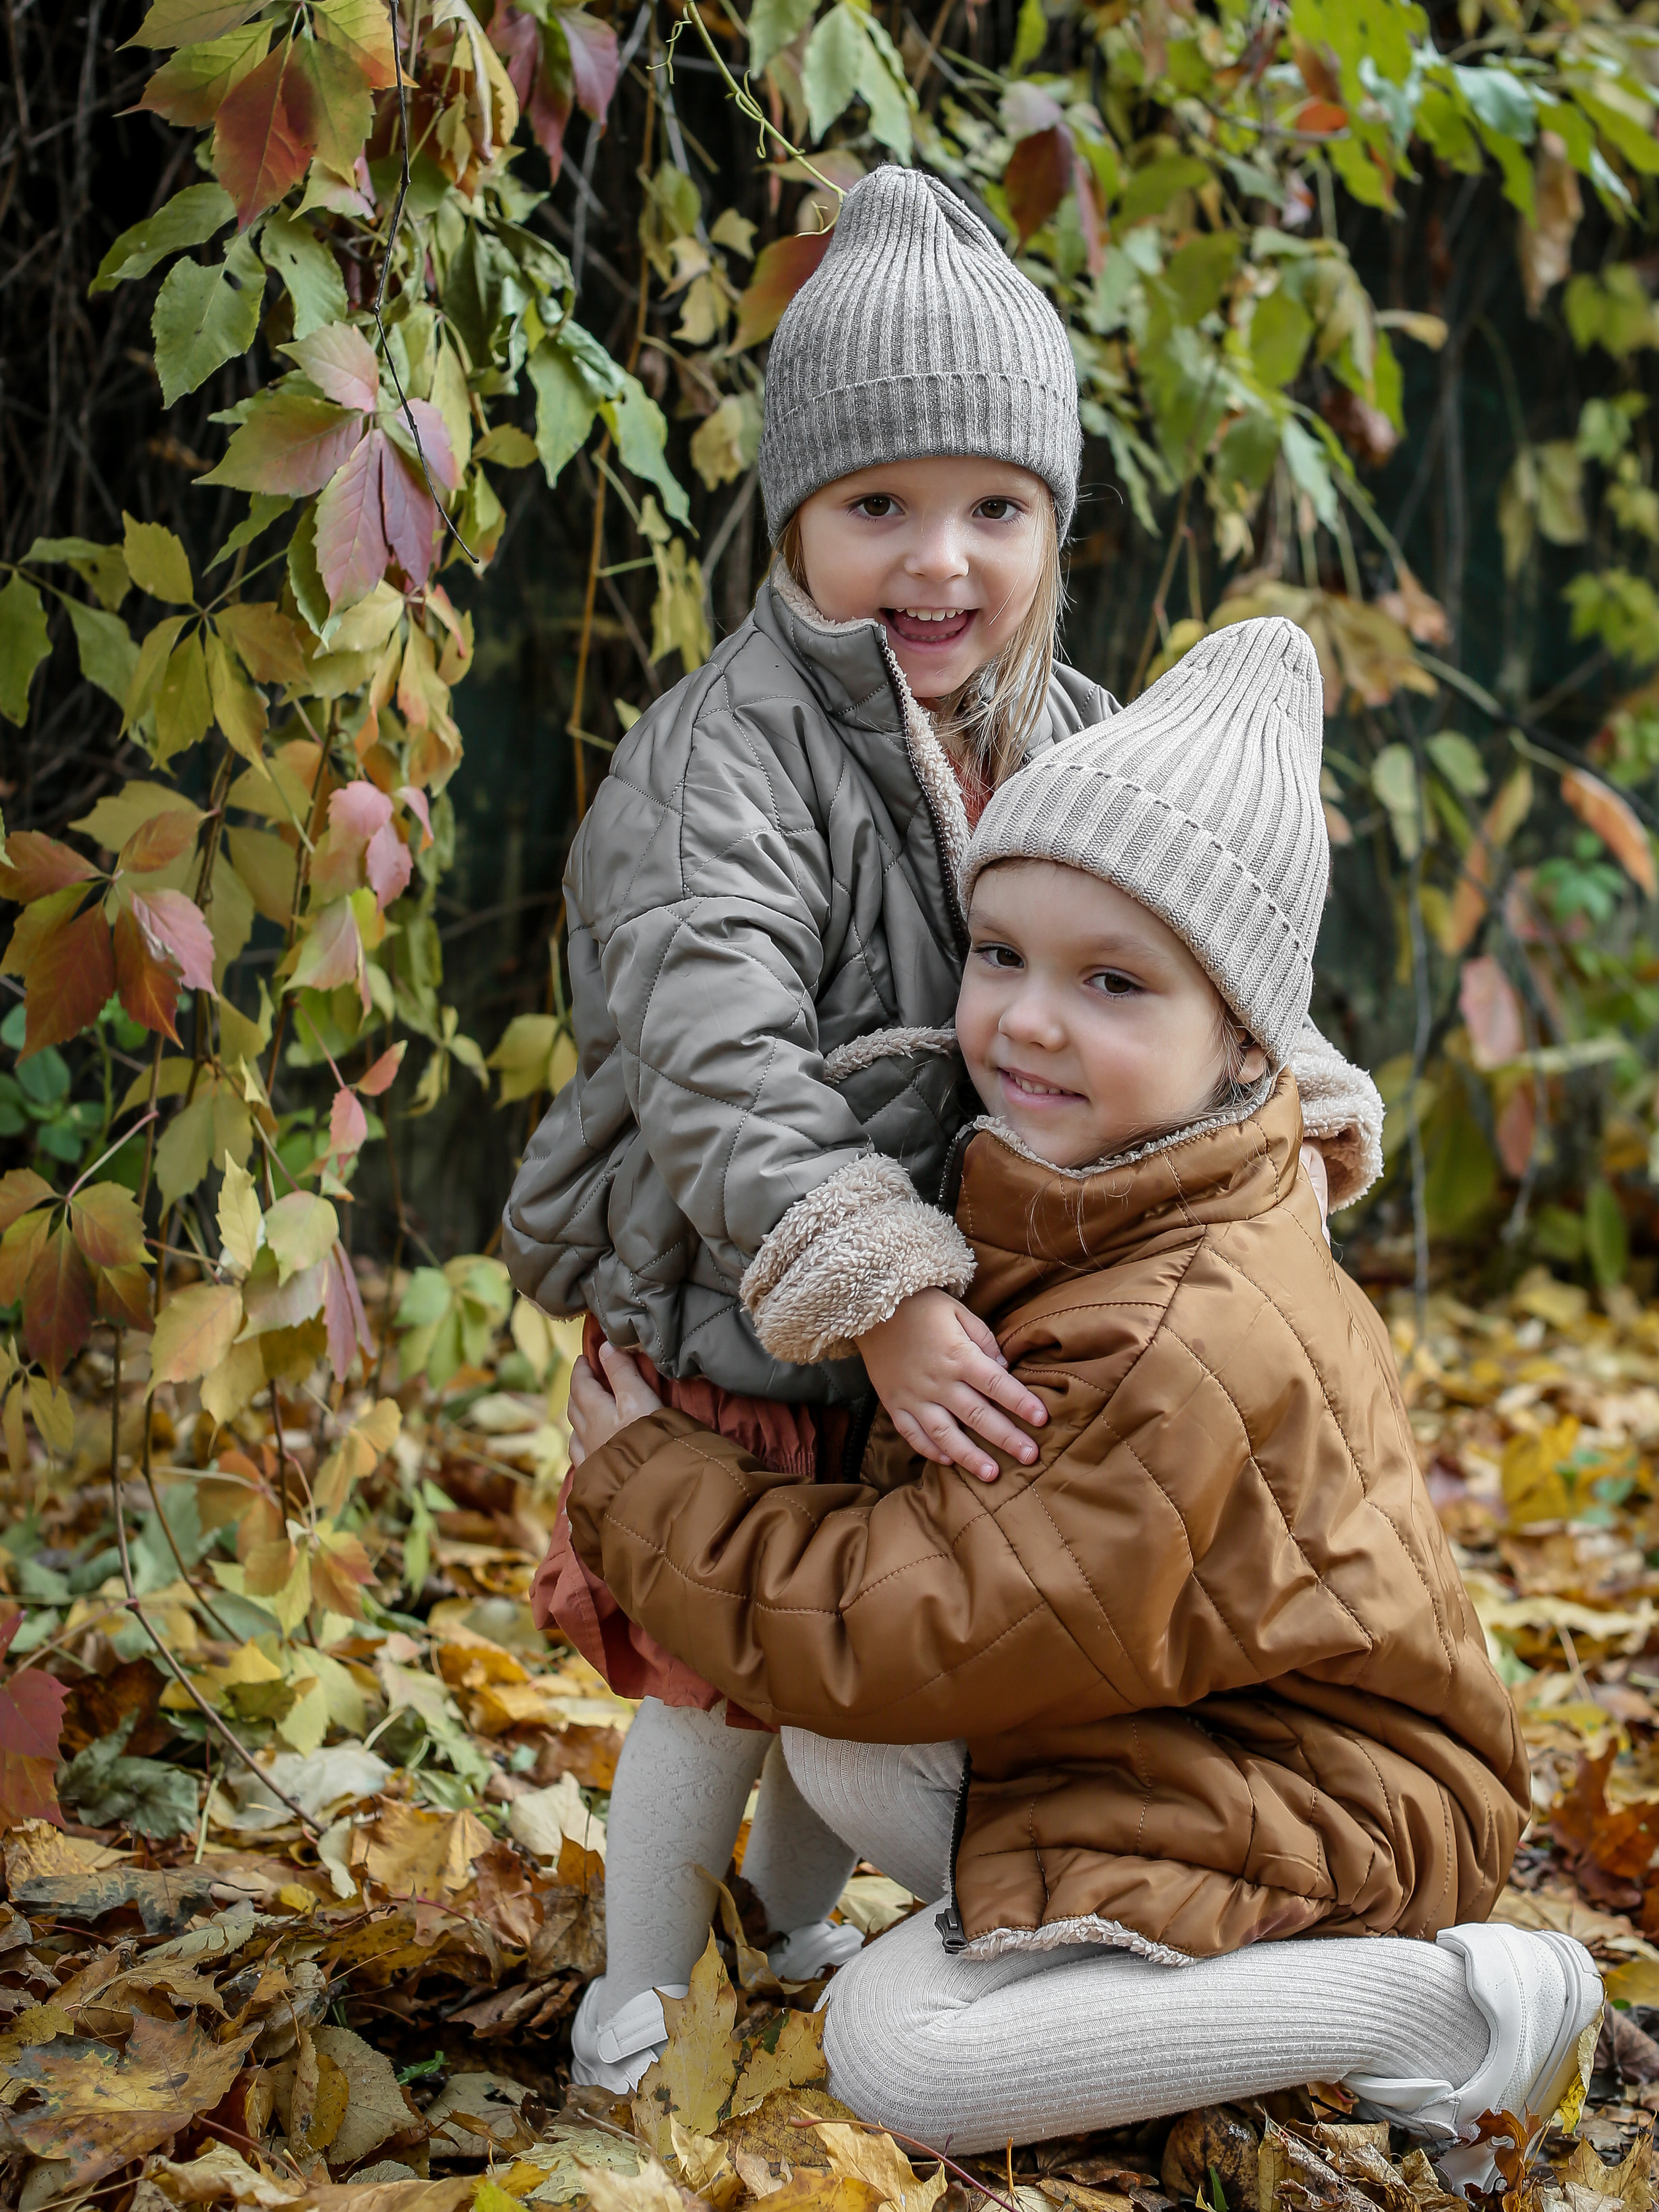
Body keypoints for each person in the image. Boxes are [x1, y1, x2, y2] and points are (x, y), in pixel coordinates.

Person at [505, 165, 1386, 2093]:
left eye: (997, 509)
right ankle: (638, 1986)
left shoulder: (1053, 722)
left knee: (869, 1627)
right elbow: (719, 1054)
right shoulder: (721, 764)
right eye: (875, 508)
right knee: (724, 1673)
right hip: (752, 1283)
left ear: (1054, 526)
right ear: (794, 518)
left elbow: (1179, 916)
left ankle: (804, 1925)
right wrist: (879, 1284)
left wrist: (1288, 1089)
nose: (940, 563)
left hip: (954, 1308)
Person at [561, 615, 1598, 2181]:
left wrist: (648, 1486)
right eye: (1002, 956)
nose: (1030, 1021)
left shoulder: (1178, 1325)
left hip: (1339, 1804)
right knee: (852, 1757)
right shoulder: (1102, 1191)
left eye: (1111, 981)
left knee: (899, 2050)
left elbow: (908, 1621)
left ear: (1245, 1035)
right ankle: (1112, 1975)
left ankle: (1436, 2010)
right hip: (1207, 1741)